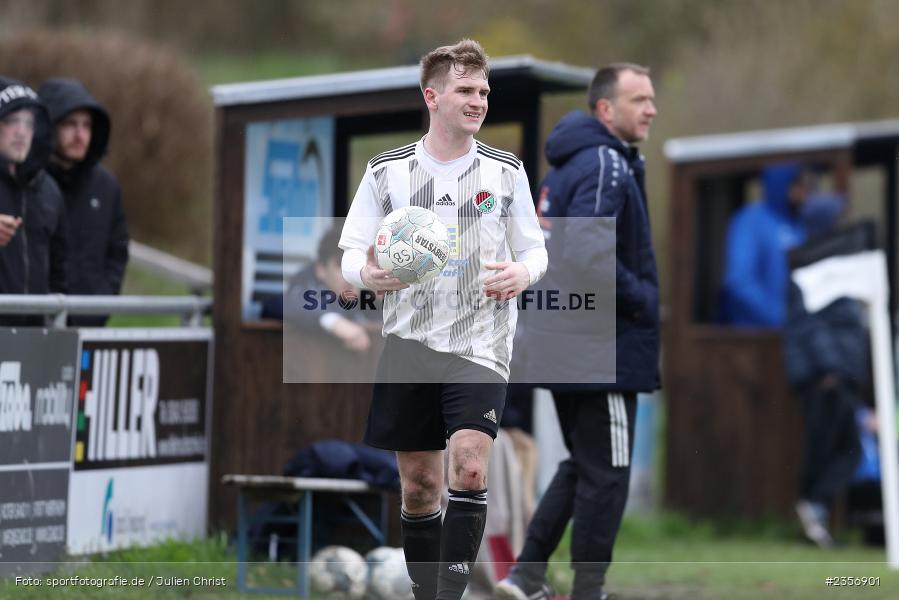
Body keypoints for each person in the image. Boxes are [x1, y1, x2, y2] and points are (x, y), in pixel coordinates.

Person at [338, 39, 547, 600]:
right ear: (432, 97)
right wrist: (367, 274)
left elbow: (536, 251)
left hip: (481, 343)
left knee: (470, 468)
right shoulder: (387, 172)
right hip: (408, 344)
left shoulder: (506, 172)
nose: (478, 101)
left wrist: (522, 273)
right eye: (465, 90)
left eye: (484, 91)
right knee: (420, 487)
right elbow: (351, 253)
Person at [496, 63, 660, 600]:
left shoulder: (566, 166)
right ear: (605, 109)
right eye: (639, 100)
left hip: (564, 341)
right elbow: (589, 253)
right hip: (599, 347)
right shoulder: (605, 162)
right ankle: (589, 590)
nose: (651, 109)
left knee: (584, 465)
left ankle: (525, 576)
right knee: (608, 473)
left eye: (651, 99)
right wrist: (642, 299)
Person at [39, 78, 128, 326]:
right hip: (34, 326)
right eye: (70, 124)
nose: (80, 135)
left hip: (90, 325)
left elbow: (117, 252)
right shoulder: (30, 184)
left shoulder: (106, 187)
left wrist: (102, 303)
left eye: (87, 125)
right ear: (48, 126)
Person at [0, 77, 67, 325]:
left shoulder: (48, 190)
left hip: (37, 335)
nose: (21, 131)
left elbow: (61, 268)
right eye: (11, 120)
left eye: (29, 123)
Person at [721, 163, 812, 327]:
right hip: (756, 335)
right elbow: (740, 281)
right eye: (798, 185)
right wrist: (779, 317)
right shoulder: (751, 221)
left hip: (795, 332)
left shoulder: (799, 225)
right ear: (782, 184)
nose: (804, 193)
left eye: (807, 186)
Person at [261, 226, 374, 352]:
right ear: (321, 269)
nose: (349, 275)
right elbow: (282, 303)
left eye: (358, 267)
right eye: (340, 265)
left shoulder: (369, 297)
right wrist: (333, 321)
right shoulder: (307, 289)